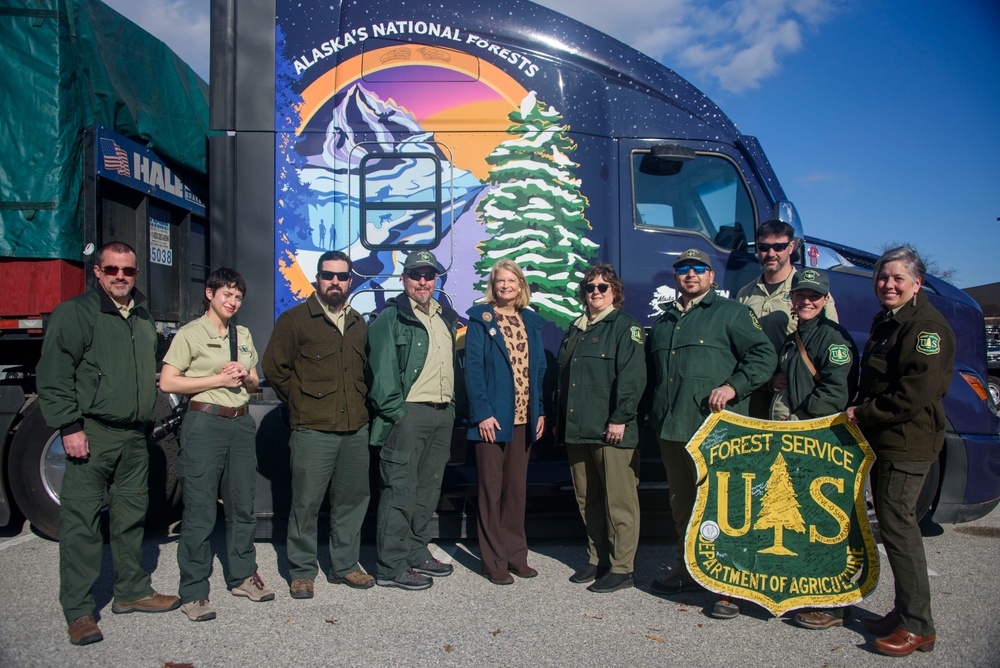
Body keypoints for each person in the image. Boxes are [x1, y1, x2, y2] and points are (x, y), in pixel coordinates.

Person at [37, 241, 181, 645]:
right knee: (81, 523)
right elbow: (53, 376)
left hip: (134, 436)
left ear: (137, 274)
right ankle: (79, 610)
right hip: (93, 433)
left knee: (130, 517)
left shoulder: (141, 316)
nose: (121, 276)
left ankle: (132, 591)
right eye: (112, 269)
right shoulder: (77, 314)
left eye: (129, 271)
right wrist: (69, 427)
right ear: (97, 272)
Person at [645, 248, 775, 619]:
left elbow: (763, 356)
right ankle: (689, 571)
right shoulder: (666, 321)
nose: (690, 274)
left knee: (724, 507)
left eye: (698, 269)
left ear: (711, 276)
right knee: (683, 506)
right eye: (683, 269)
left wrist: (734, 386)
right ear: (676, 277)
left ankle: (730, 586)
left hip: (714, 432)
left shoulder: (731, 314)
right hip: (672, 431)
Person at [846, 247, 954, 657]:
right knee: (893, 527)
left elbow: (911, 395)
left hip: (907, 441)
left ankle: (918, 627)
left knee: (899, 528)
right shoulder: (890, 320)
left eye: (897, 279)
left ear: (917, 283)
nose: (888, 285)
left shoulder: (926, 328)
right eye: (882, 278)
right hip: (887, 439)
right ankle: (903, 611)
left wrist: (862, 412)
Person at [160, 268, 273, 622]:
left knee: (241, 505)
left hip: (239, 422)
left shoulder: (243, 334)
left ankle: (242, 576)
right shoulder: (191, 334)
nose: (232, 302)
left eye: (238, 297)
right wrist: (218, 378)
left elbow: (255, 380)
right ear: (210, 294)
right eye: (226, 294)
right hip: (204, 422)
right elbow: (167, 382)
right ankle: (194, 591)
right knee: (200, 510)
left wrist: (245, 375)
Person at [262, 251, 373, 599]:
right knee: (306, 503)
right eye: (328, 276)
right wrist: (301, 402)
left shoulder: (358, 323)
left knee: (352, 501)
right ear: (318, 279)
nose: (335, 282)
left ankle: (345, 565)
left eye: (341, 276)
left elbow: (365, 372)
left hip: (355, 429)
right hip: (312, 430)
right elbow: (274, 367)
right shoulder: (295, 320)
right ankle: (302, 570)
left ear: (350, 281)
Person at [761, 270, 859, 630]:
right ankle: (810, 592)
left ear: (825, 300)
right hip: (796, 441)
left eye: (813, 296)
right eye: (800, 295)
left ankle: (834, 602)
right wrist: (776, 380)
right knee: (801, 519)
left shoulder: (833, 339)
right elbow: (791, 379)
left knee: (824, 523)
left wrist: (799, 420)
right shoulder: (794, 338)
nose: (806, 301)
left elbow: (835, 392)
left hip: (818, 441)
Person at [366, 250, 460, 590]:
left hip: (440, 414)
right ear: (404, 279)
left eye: (429, 275)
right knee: (399, 491)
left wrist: (451, 409)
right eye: (416, 275)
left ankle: (417, 553)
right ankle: (390, 566)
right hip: (408, 415)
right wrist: (397, 414)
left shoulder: (444, 317)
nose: (423, 281)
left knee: (426, 490)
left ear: (436, 280)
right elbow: (381, 371)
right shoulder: (390, 318)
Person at [557, 263, 647, 594]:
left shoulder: (625, 327)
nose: (595, 291)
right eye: (590, 287)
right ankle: (598, 560)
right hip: (579, 429)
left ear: (615, 293)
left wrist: (620, 418)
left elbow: (633, 377)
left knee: (619, 502)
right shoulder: (577, 328)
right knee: (588, 500)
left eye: (603, 287)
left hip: (612, 431)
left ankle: (623, 568)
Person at [466, 260, 547, 585]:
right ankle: (494, 561)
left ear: (520, 285)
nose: (505, 285)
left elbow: (538, 369)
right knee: (491, 491)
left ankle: (516, 555)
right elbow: (472, 368)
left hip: (522, 420)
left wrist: (539, 410)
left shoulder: (530, 321)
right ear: (493, 285)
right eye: (500, 280)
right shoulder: (481, 318)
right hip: (492, 420)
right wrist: (482, 413)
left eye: (511, 280)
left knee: (515, 491)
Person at [736, 219, 839, 352]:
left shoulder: (815, 295)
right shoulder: (744, 294)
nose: (771, 254)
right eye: (764, 247)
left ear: (791, 247)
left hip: (792, 371)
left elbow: (831, 340)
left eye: (779, 247)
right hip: (755, 371)